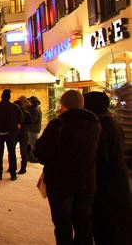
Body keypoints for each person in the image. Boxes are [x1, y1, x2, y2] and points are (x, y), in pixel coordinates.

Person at [36, 90, 100, 245]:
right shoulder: (94, 125)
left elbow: (41, 154)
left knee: (63, 226)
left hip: (60, 183)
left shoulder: (58, 125)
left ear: (63, 105)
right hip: (86, 182)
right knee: (84, 226)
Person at [83, 91, 132, 245]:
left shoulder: (100, 127)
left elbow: (101, 161)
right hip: (118, 184)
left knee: (107, 231)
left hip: (107, 188)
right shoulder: (112, 123)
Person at [0, 89, 22, 180]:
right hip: (11, 132)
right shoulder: (15, 107)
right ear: (9, 97)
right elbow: (20, 117)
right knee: (12, 153)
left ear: (1, 97)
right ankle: (13, 174)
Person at [16, 96, 33, 175]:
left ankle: (23, 168)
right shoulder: (16, 114)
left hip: (22, 133)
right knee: (13, 150)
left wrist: (22, 127)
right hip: (17, 133)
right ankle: (14, 167)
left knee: (23, 151)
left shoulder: (26, 114)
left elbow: (30, 124)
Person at [27, 96, 42, 162]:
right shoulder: (36, 108)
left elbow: (33, 120)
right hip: (33, 129)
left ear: (32, 102)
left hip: (32, 129)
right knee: (31, 143)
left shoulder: (33, 110)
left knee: (33, 144)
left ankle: (33, 158)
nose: (28, 102)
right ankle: (30, 157)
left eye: (29, 101)